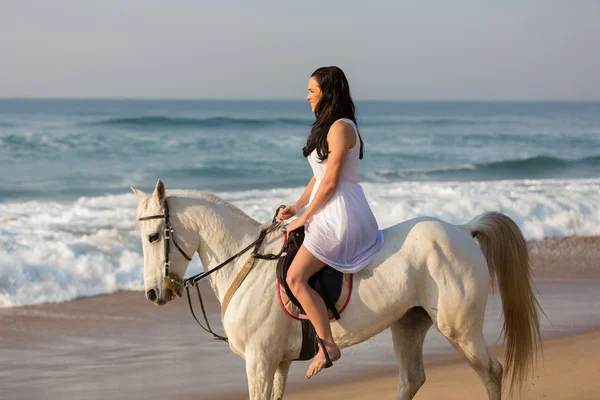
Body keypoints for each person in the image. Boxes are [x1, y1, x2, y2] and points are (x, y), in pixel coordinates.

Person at [277, 66, 384, 379]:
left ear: (327, 91)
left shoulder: (340, 127)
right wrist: (296, 206)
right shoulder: (328, 126)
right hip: (328, 206)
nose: (307, 96)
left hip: (342, 214)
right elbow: (318, 176)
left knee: (296, 277)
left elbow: (333, 180)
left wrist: (305, 217)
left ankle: (327, 343)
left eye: (312, 90)